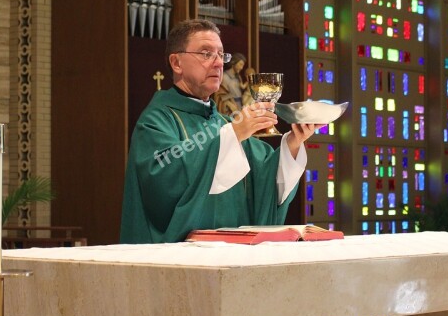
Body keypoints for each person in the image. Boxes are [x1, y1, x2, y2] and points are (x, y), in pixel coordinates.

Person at [120, 19, 319, 244]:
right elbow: (163, 176)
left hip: (233, 260)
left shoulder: (223, 124)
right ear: (176, 63)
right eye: (206, 54)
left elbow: (264, 178)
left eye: (221, 55)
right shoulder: (156, 121)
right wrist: (233, 135)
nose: (218, 63)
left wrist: (293, 142)